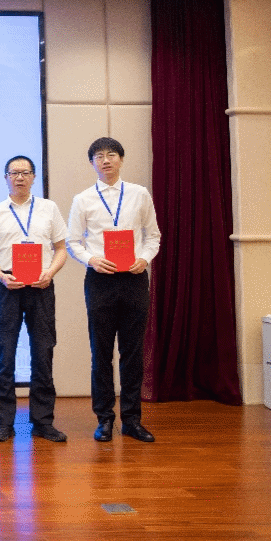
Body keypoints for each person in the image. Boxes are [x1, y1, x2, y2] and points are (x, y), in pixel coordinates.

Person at [66, 137, 162, 443]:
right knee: (101, 352)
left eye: (111, 155)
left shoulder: (139, 194)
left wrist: (144, 258)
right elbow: (73, 241)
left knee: (133, 353)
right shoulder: (83, 199)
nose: (105, 160)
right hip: (100, 280)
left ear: (121, 159)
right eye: (99, 156)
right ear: (92, 163)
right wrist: (91, 259)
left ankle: (132, 420)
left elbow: (153, 235)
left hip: (134, 278)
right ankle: (104, 419)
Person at [0, 156, 69, 443]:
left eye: (25, 172)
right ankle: (4, 423)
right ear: (6, 177)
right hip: (8, 286)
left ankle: (43, 422)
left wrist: (50, 273)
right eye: (14, 173)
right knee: (4, 355)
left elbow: (61, 248)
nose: (19, 177)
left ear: (33, 177)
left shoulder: (49, 208)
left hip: (41, 285)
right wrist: (1, 277)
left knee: (43, 353)